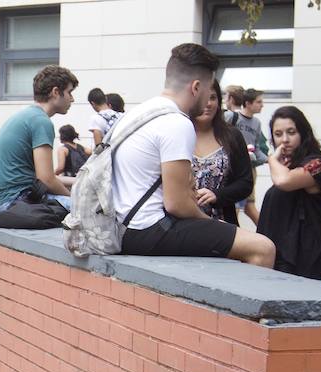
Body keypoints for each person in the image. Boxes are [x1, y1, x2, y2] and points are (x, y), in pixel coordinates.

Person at [113, 43, 274, 266]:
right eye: (209, 91)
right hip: (146, 230)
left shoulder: (138, 114)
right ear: (196, 87)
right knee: (263, 248)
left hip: (120, 227)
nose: (209, 99)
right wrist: (211, 223)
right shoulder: (177, 122)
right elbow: (177, 204)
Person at [0, 65, 78, 218]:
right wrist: (72, 198)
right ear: (55, 92)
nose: (72, 99)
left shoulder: (27, 115)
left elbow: (44, 178)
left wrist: (77, 181)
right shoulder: (41, 121)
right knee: (88, 211)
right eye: (69, 92)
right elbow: (46, 179)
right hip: (12, 203)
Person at [258, 106, 321, 280]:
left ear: (303, 133)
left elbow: (284, 181)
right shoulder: (286, 167)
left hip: (306, 257)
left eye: (291, 132)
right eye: (278, 134)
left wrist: (271, 159)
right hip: (280, 255)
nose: (285, 140)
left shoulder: (318, 164)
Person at [191, 78, 253, 226]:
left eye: (212, 97)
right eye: (201, 98)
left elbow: (245, 183)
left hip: (222, 223)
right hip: (182, 227)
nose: (208, 103)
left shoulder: (232, 136)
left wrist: (217, 195)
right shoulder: (176, 135)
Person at [225, 88, 269, 225]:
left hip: (248, 169)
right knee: (236, 205)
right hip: (233, 168)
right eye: (259, 102)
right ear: (248, 103)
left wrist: (270, 159)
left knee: (249, 205)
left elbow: (256, 148)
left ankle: (268, 235)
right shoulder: (231, 117)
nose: (262, 105)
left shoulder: (257, 123)